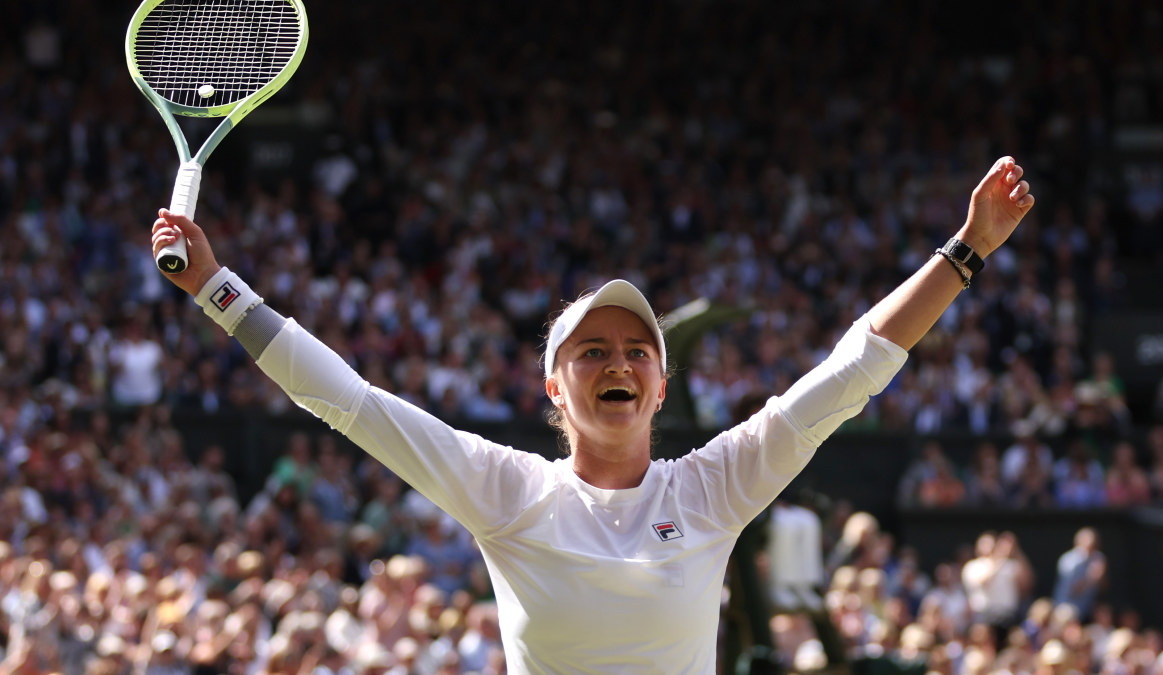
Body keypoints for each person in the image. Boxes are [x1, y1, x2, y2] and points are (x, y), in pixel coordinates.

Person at [149, 156, 1034, 674]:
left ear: (660, 386)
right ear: (554, 390)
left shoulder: (716, 485)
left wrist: (965, 252)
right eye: (592, 351)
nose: (618, 362)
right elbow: (347, 401)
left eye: (636, 351)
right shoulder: (505, 488)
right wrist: (219, 291)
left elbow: (852, 372)